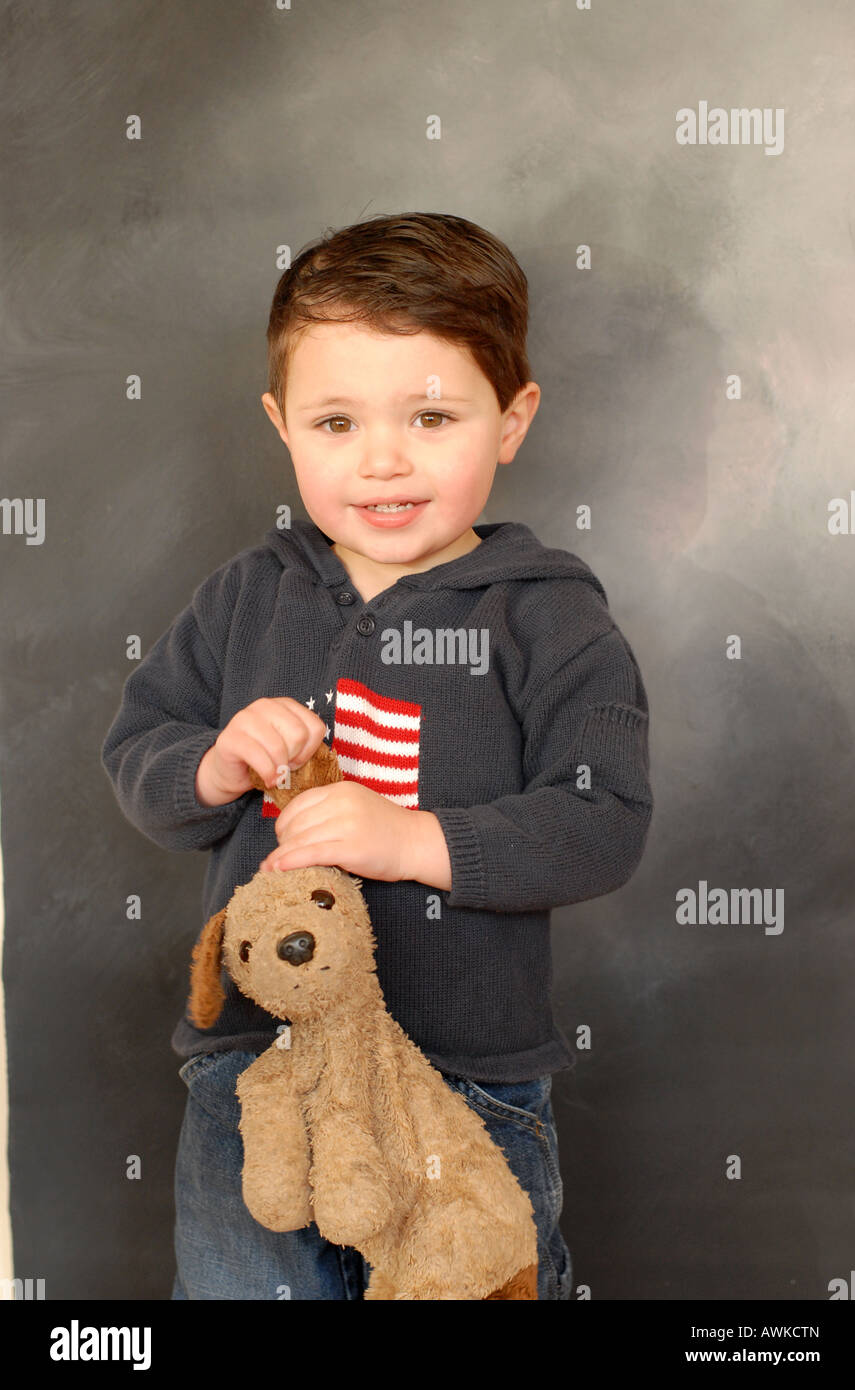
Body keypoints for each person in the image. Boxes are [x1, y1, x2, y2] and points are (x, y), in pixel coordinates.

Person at [100, 211, 654, 1300]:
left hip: (467, 1087)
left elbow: (603, 820)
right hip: (256, 1082)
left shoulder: (548, 617)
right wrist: (211, 763)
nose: (384, 460)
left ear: (513, 418)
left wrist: (413, 839)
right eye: (338, 421)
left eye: (434, 415)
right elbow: (140, 751)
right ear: (282, 425)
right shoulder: (244, 597)